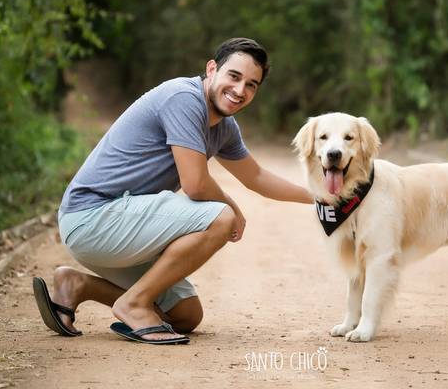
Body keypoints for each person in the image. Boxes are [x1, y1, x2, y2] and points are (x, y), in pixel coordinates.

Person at [32, 38, 313, 345]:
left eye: (251, 85)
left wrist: (320, 196)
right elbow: (194, 184)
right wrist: (233, 209)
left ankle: (79, 285)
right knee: (221, 217)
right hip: (92, 216)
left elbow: (256, 176)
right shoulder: (183, 98)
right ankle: (133, 304)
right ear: (211, 69)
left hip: (120, 225)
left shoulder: (224, 128)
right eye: (234, 76)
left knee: (186, 315)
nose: (240, 90)